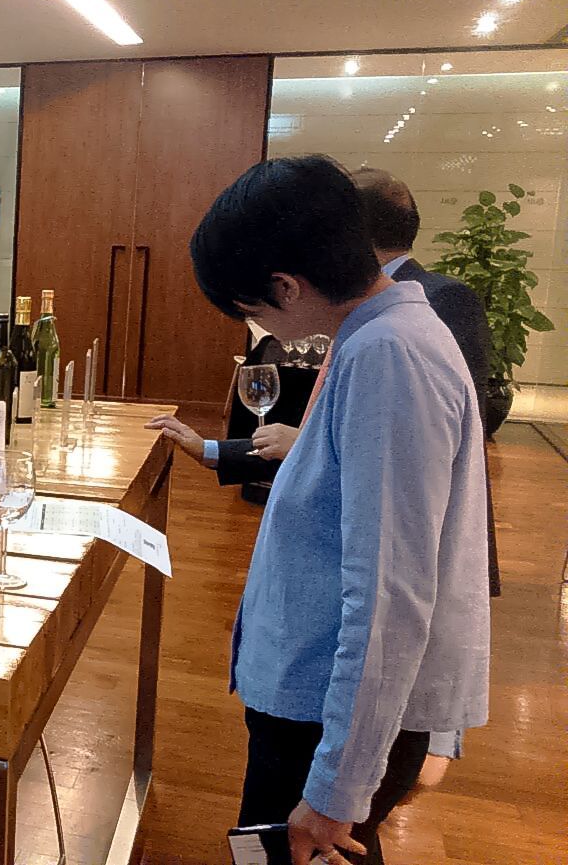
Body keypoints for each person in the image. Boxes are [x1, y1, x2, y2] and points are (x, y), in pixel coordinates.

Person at [188, 155, 489, 865]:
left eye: (252, 310)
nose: (258, 327)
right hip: (314, 698)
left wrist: (338, 782)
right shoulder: (377, 336)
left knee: (304, 847)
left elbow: (390, 593)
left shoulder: (391, 356)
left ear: (286, 286)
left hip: (326, 713)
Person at [149, 167, 501, 595]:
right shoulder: (366, 325)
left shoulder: (390, 340)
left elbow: (388, 560)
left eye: (252, 313)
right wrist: (212, 450)